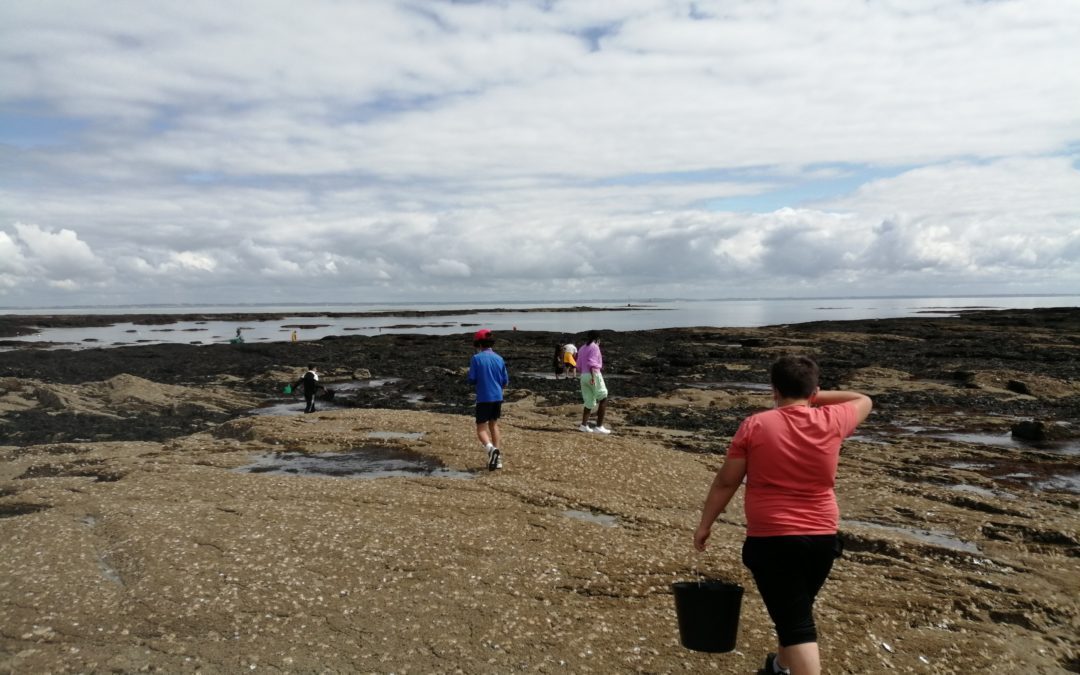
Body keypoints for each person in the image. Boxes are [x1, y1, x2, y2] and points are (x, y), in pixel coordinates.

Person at [693, 355, 872, 675]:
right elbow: (864, 399)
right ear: (813, 389)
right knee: (794, 613)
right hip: (822, 540)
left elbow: (727, 481)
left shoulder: (756, 425)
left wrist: (705, 525)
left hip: (773, 539)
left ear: (773, 390)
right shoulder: (832, 419)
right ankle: (780, 666)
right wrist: (814, 396)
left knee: (798, 625)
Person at [468, 329, 509, 470]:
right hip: (498, 396)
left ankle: (491, 449)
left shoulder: (476, 358)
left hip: (484, 397)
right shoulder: (499, 358)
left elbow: (472, 379)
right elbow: (505, 381)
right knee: (494, 424)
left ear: (478, 343)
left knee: (481, 428)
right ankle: (498, 460)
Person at [576, 331, 610, 434]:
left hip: (583, 376)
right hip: (593, 374)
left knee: (588, 401)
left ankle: (583, 425)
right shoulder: (595, 347)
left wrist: (586, 375)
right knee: (603, 397)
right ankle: (599, 426)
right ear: (597, 339)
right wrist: (593, 377)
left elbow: (578, 365)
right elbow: (592, 362)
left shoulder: (582, 348)